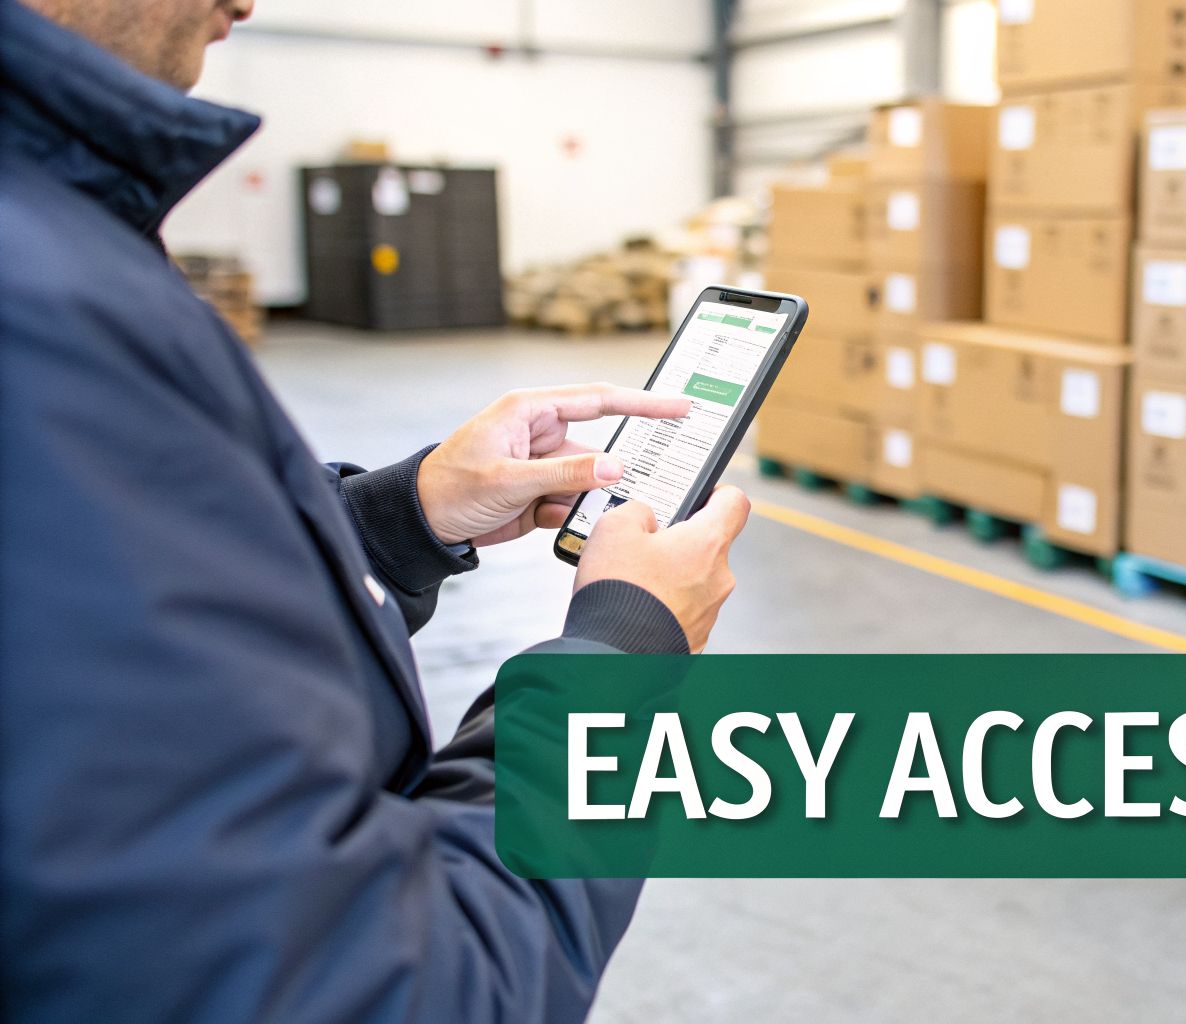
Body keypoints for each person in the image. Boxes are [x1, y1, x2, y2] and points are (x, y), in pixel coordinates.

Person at [0, 0, 752, 1019]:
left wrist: (402, 520)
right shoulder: (40, 316)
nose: (245, 3)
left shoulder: (64, 241)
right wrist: (624, 653)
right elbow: (388, 987)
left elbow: (128, 609)